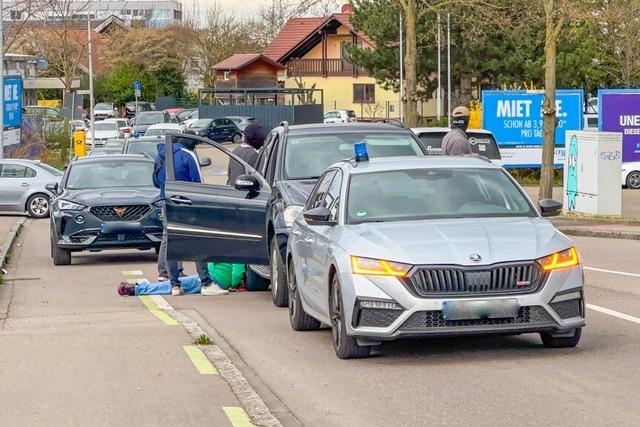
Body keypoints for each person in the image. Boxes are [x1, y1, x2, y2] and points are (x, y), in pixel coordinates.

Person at [154, 136, 228, 297]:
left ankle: (174, 284)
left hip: (166, 200)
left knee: (170, 240)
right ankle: (206, 282)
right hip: (187, 202)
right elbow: (198, 182)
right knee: (197, 239)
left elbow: (155, 180)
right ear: (193, 146)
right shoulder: (188, 155)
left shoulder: (161, 155)